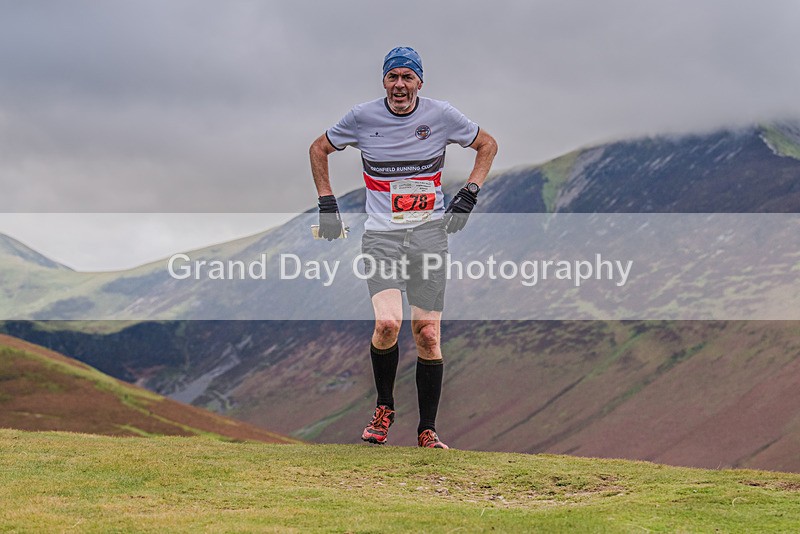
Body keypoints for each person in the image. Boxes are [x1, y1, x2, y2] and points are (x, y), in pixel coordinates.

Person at [309, 46, 497, 449]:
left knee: (428, 332)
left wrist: (470, 192)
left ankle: (427, 431)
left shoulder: (442, 115)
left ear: (419, 83)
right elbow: (318, 148)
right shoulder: (361, 117)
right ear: (384, 82)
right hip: (382, 236)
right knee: (388, 324)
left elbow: (488, 145)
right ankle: (384, 408)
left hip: (429, 234)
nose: (399, 85)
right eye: (392, 77)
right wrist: (327, 202)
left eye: (407, 77)